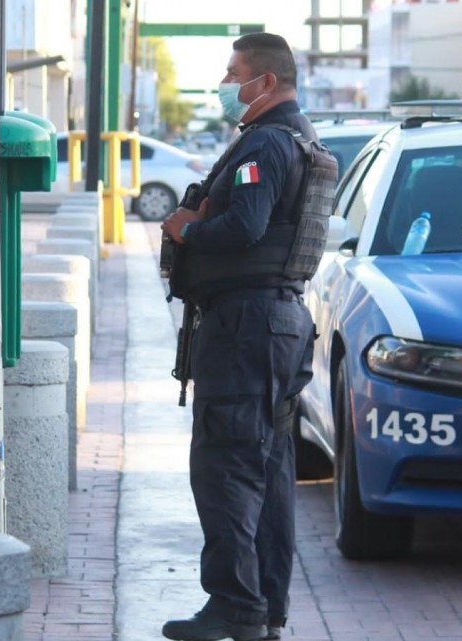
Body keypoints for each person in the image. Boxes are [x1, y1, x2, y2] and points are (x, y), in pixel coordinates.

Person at [160, 33, 321, 641]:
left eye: (234, 75)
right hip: (274, 324)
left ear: (266, 83)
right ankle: (265, 609)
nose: (226, 87)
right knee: (269, 469)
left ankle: (235, 606)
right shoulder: (297, 137)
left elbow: (244, 226)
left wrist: (185, 229)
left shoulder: (267, 144)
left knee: (226, 464)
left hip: (247, 325)